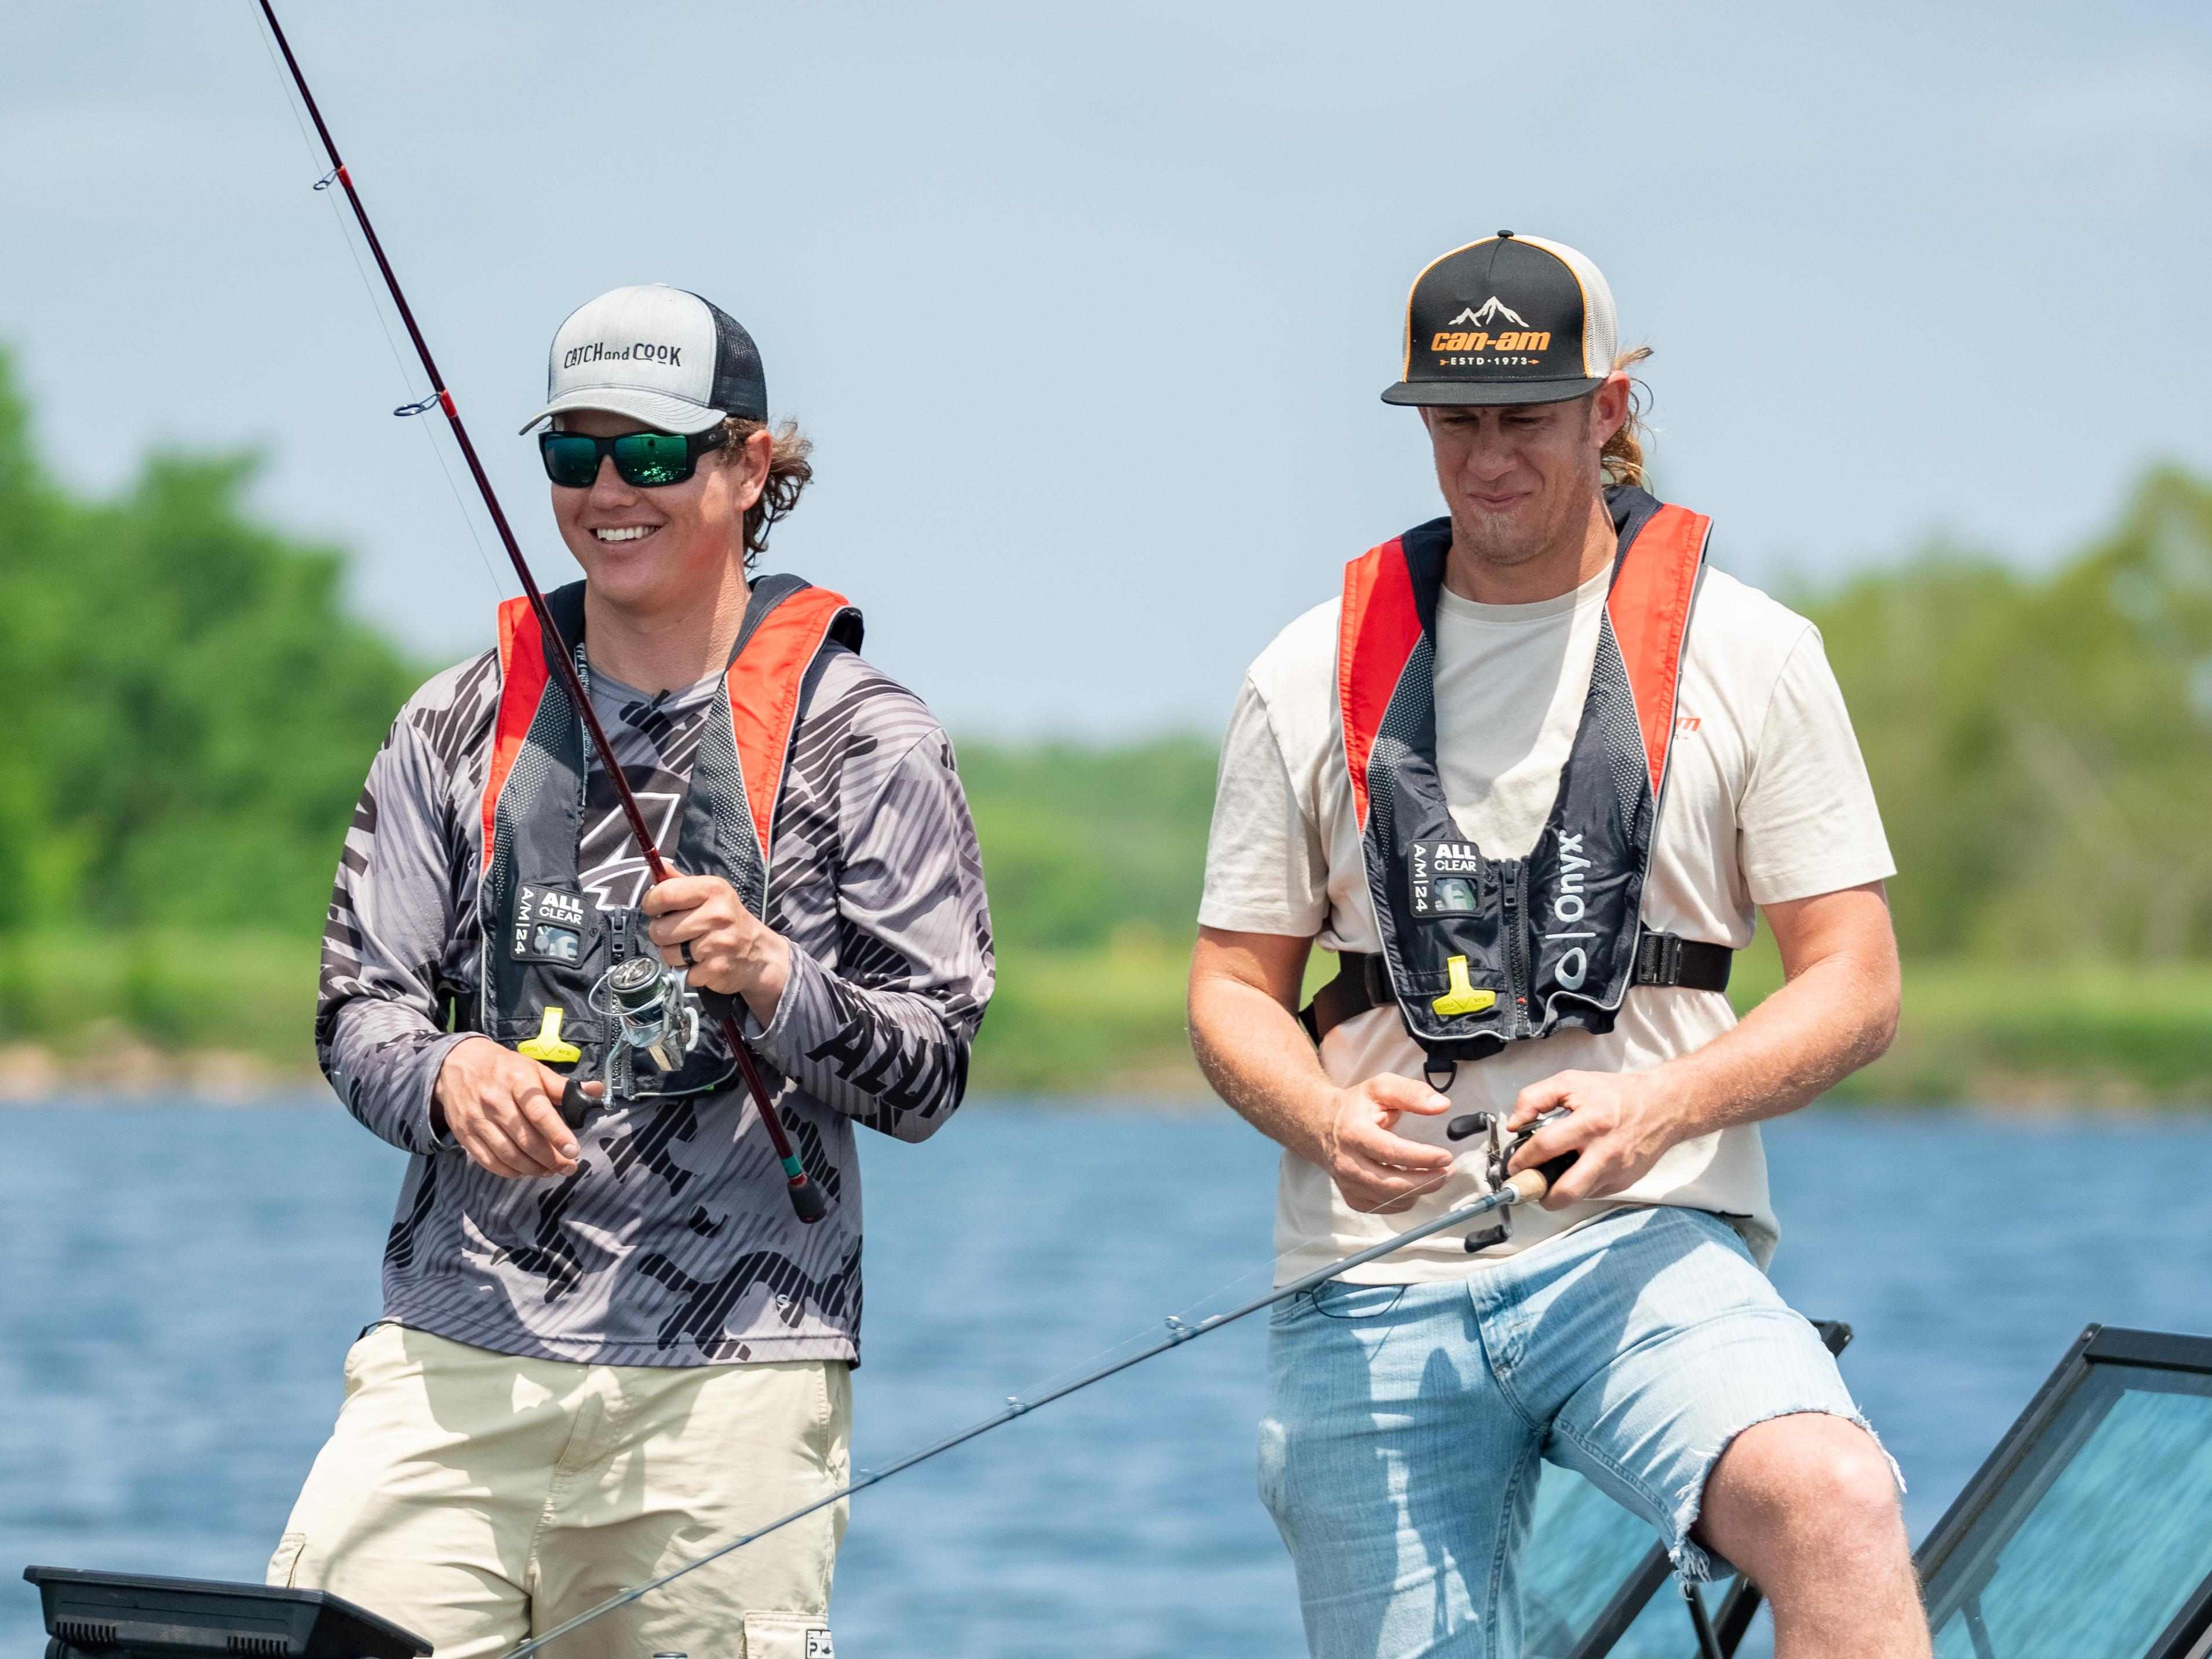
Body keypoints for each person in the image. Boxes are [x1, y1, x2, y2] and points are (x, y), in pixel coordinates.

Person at [1187, 234, 1926, 1658]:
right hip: (1373, 1276)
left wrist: (1663, 1106)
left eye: (1525, 417)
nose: (1488, 460)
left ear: (1606, 408)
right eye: (1454, 422)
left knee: (1834, 1497)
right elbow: (1228, 992)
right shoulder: (1301, 672)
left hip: (1645, 1244)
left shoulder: (1753, 649)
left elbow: (1858, 979)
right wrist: (1325, 1114)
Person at [268, 283, 993, 1659]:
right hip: (452, 1362)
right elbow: (356, 1006)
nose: (611, 490)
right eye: (574, 453)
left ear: (748, 465)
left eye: (652, 454)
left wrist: (776, 979)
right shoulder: (455, 717)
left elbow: (930, 1072)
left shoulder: (875, 740)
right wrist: (446, 1070)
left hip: (731, 1391)